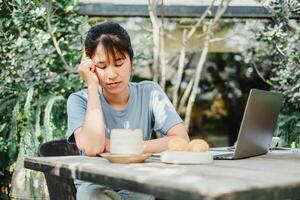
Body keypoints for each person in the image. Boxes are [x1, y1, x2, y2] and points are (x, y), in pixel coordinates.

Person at [66, 22, 190, 200]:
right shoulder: (79, 100)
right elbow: (93, 147)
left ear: (131, 60)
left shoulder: (149, 92)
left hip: (138, 185)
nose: (111, 74)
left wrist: (120, 146)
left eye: (118, 63)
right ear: (90, 66)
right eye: (101, 66)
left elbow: (181, 139)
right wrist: (92, 86)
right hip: (96, 188)